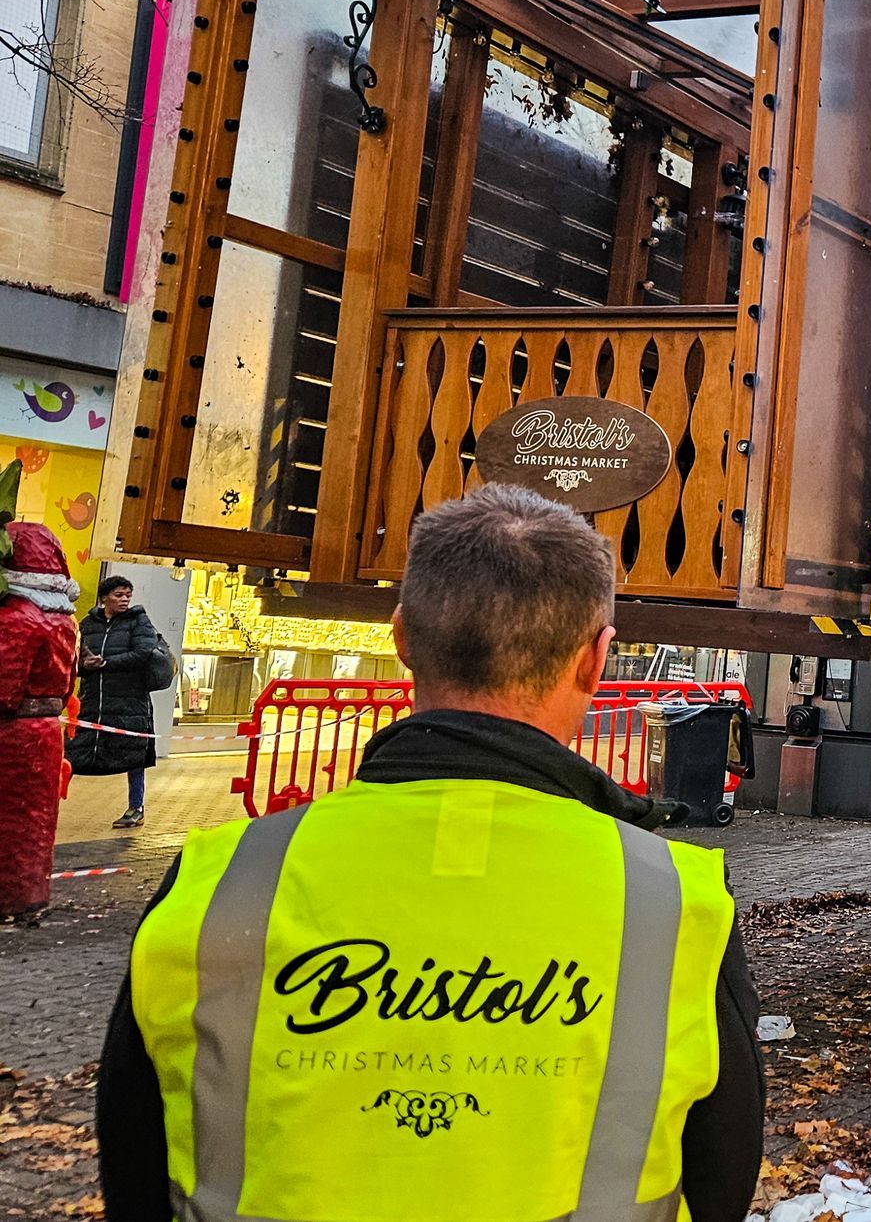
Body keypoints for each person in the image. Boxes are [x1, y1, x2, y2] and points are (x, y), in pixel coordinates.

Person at [97, 483, 765, 1222]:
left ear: (402, 637)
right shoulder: (676, 902)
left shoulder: (221, 880)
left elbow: (132, 1163)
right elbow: (722, 1178)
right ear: (595, 660)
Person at [0, 523, 79, 924]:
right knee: (36, 824)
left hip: (11, 735)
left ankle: (6, 899)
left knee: (7, 823)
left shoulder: (17, 618)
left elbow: (3, 687)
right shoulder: (65, 620)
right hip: (46, 731)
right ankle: (30, 896)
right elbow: (68, 685)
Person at [69, 574, 161, 829]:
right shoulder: (87, 624)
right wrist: (84, 666)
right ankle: (50, 803)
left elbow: (143, 653)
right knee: (75, 752)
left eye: (127, 596)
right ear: (104, 598)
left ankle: (136, 808)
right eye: (119, 595)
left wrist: (107, 664)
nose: (124, 600)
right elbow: (72, 656)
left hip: (130, 702)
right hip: (94, 701)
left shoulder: (138, 621)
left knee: (134, 756)